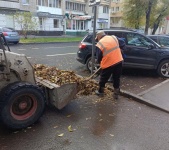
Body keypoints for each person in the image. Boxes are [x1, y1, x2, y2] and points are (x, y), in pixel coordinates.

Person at [95, 31, 124, 99]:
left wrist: (101, 64)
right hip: (118, 61)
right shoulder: (113, 37)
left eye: (97, 38)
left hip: (108, 64)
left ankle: (101, 92)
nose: (97, 39)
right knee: (116, 78)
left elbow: (99, 57)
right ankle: (116, 93)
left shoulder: (100, 44)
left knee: (103, 78)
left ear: (99, 37)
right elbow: (122, 43)